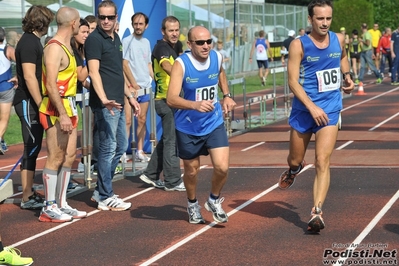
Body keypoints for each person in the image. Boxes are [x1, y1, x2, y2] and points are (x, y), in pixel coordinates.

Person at [277, 0, 354, 233]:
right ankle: (293, 169)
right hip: (304, 110)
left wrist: (347, 76)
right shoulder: (298, 45)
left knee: (323, 160)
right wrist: (311, 107)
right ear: (310, 19)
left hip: (330, 109)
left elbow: (342, 57)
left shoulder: (339, 39)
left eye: (328, 18)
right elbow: (292, 81)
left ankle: (317, 211)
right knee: (294, 158)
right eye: (320, 19)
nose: (325, 23)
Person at [167, 26, 236, 224]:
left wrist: (227, 95)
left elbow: (220, 73)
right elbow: (171, 99)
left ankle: (213, 200)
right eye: (200, 42)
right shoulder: (182, 64)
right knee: (191, 171)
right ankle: (191, 203)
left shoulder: (217, 57)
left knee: (222, 167)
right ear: (189, 44)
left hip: (213, 122)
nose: (206, 46)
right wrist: (194, 105)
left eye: (208, 41)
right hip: (188, 126)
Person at [84, 0, 140, 210]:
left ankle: (100, 191)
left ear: (116, 18)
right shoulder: (94, 40)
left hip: (118, 101)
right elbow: (93, 72)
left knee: (120, 147)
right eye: (102, 17)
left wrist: (131, 98)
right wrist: (103, 98)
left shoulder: (116, 38)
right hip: (105, 104)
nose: (105, 21)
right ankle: (106, 195)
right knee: (108, 149)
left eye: (109, 17)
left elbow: (117, 72)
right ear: (97, 17)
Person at [38, 7, 87, 222]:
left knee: (68, 156)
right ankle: (48, 207)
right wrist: (62, 114)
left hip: (69, 106)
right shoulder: (54, 47)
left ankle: (61, 202)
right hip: (55, 108)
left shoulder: (68, 46)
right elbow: (50, 83)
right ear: (74, 23)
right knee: (55, 156)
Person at [14, 5, 54, 210]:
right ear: (42, 22)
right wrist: (40, 104)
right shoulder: (29, 43)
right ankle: (26, 195)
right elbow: (29, 76)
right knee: (31, 146)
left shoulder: (32, 42)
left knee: (35, 146)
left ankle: (29, 192)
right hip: (28, 102)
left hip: (31, 101)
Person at [138, 16, 185, 192]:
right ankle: (172, 181)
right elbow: (166, 65)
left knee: (168, 140)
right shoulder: (161, 47)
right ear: (163, 31)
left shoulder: (177, 46)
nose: (174, 33)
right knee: (171, 142)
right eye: (170, 30)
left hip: (175, 101)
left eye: (176, 30)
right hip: (164, 101)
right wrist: (182, 76)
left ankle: (150, 174)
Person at [122, 12, 153, 162]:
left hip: (145, 87)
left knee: (142, 120)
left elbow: (148, 64)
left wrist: (156, 80)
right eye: (135, 24)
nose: (138, 26)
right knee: (127, 120)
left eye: (141, 24)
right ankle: (122, 152)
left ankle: (140, 151)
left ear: (146, 26)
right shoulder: (127, 41)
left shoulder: (146, 42)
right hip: (131, 88)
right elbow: (124, 64)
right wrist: (133, 85)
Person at [0, 28, 16, 155]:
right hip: (5, 87)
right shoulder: (8, 49)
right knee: (4, 119)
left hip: (5, 87)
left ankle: (2, 142)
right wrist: (18, 77)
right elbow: (22, 63)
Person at [358, 23, 382, 89]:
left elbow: (368, 43)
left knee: (371, 65)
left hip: (367, 52)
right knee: (362, 66)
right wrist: (373, 52)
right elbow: (371, 44)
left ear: (361, 27)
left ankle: (379, 76)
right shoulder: (364, 34)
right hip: (364, 51)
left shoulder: (367, 34)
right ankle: (360, 79)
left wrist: (361, 41)